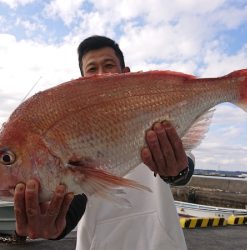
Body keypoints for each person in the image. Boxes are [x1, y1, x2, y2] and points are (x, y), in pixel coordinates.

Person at [14, 35, 194, 250]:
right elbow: (76, 194)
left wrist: (176, 171)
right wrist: (53, 226)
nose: (101, 75)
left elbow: (185, 168)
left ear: (126, 74)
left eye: (109, 65)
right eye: (92, 69)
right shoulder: (70, 136)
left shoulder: (158, 117)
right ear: (81, 82)